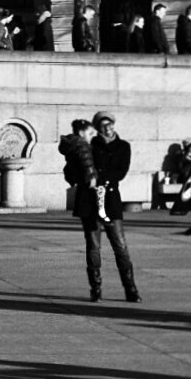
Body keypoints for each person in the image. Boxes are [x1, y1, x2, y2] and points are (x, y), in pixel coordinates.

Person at [82, 113, 139, 302]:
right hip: (91, 202)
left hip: (111, 200)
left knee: (120, 245)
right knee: (93, 247)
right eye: (103, 125)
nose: (107, 128)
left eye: (110, 124)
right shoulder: (90, 145)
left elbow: (121, 172)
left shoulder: (123, 146)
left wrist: (100, 177)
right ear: (98, 127)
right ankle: (96, 289)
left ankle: (130, 288)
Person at [58, 119, 108, 226]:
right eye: (90, 134)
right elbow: (87, 162)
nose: (92, 137)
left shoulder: (72, 144)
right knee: (95, 202)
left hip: (80, 179)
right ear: (81, 133)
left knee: (87, 215)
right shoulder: (82, 145)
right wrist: (92, 178)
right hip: (88, 179)